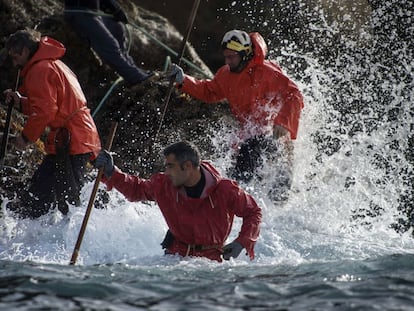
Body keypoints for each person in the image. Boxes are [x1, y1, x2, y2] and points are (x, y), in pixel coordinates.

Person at [169, 30, 304, 203]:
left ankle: (242, 201)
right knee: (241, 162)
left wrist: (283, 122)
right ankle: (233, 202)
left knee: (277, 192)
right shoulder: (225, 74)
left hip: (276, 137)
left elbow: (294, 95)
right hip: (250, 136)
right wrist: (184, 81)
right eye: (226, 57)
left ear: (245, 54)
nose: (228, 61)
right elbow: (210, 92)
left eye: (232, 57)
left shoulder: (268, 72)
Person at [94, 141, 262, 262]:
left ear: (187, 166)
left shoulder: (226, 190)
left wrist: (242, 242)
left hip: (212, 261)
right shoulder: (163, 184)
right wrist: (111, 172)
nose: (166, 172)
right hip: (173, 257)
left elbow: (253, 212)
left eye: (170, 166)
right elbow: (137, 190)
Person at [3, 29, 101, 218]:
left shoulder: (39, 69)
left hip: (72, 141)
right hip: (75, 138)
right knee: (42, 197)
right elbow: (50, 104)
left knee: (59, 202)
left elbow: (46, 111)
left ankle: (63, 240)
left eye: (15, 58)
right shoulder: (53, 64)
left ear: (24, 51)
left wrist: (25, 138)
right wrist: (20, 103)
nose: (15, 64)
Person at [64, 0, 155, 87]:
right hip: (79, 12)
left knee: (117, 27)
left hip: (93, 12)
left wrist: (115, 9)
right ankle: (136, 78)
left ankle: (133, 69)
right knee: (110, 45)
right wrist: (115, 8)